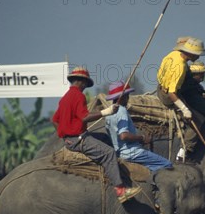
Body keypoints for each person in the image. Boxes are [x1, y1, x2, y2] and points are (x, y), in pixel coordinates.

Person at [51, 67, 141, 203]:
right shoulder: (78, 96)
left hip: (72, 138)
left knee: (105, 138)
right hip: (78, 140)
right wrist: (107, 112)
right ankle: (121, 190)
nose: (86, 87)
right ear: (81, 81)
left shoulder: (65, 98)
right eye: (86, 83)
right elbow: (84, 117)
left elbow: (54, 120)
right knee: (109, 152)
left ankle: (115, 169)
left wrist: (64, 137)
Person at [157, 37, 205, 162]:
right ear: (190, 53)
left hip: (160, 87)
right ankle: (183, 151)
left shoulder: (173, 54)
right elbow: (172, 93)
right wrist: (184, 109)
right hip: (169, 96)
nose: (198, 57)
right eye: (197, 54)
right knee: (198, 120)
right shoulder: (180, 66)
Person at [104, 80, 173, 172]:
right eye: (127, 95)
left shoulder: (108, 113)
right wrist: (142, 138)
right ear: (122, 96)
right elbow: (123, 135)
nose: (128, 98)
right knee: (167, 165)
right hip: (132, 153)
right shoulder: (122, 110)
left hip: (119, 153)